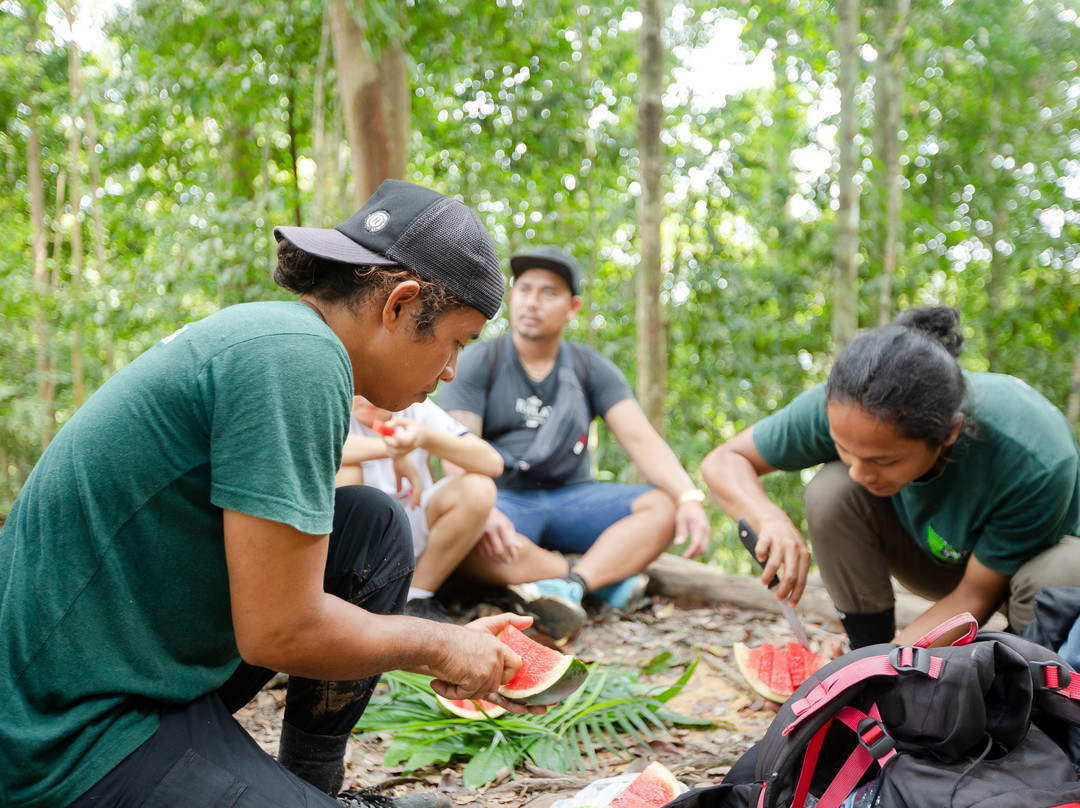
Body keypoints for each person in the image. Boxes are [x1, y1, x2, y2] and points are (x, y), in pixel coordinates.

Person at [0, 180, 547, 808]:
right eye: (455, 341)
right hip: (64, 731)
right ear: (398, 304)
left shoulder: (283, 339)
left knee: (370, 527)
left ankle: (311, 787)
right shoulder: (298, 360)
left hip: (136, 667)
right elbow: (280, 633)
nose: (451, 370)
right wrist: (441, 644)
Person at [701, 305, 1080, 649]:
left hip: (1028, 573)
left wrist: (882, 669)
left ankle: (1025, 683)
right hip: (937, 558)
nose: (859, 471)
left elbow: (974, 597)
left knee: (1058, 574)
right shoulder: (849, 404)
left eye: (883, 460)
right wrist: (767, 516)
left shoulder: (1033, 455)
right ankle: (866, 647)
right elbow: (723, 460)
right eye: (844, 449)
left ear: (948, 433)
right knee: (831, 490)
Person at [438, 244, 712, 645]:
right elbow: (457, 447)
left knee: (663, 506)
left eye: (549, 292)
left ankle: (571, 584)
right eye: (524, 289)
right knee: (458, 526)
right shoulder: (480, 360)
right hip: (504, 500)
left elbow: (640, 438)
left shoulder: (589, 367)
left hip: (574, 498)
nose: (533, 301)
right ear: (511, 297)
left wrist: (688, 496)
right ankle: (602, 578)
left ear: (573, 307)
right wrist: (477, 506)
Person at [336, 394, 502, 622]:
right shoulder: (336, 399)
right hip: (360, 542)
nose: (368, 396)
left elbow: (492, 462)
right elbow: (315, 443)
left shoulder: (413, 406)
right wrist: (392, 448)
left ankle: (415, 598)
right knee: (346, 472)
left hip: (414, 524)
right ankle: (349, 593)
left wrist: (424, 438)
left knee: (479, 488)